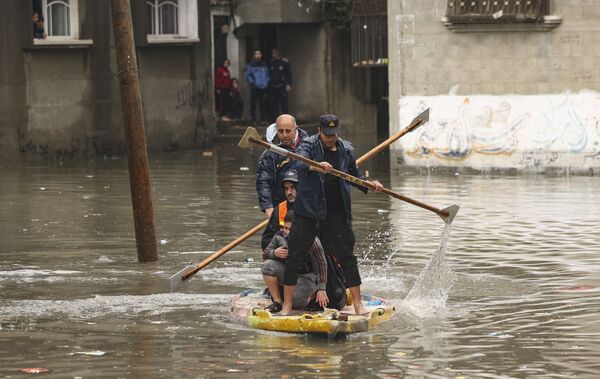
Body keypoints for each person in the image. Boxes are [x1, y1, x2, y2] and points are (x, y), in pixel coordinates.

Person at [280, 114, 384, 315]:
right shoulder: (308, 145)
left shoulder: (346, 149)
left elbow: (354, 176)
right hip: (308, 210)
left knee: (347, 257)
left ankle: (358, 304)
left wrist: (370, 185)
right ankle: (286, 305)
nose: (330, 138)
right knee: (295, 255)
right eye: (326, 134)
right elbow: (296, 165)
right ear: (319, 131)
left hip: (336, 211)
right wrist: (314, 165)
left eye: (333, 134)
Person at [261, 210, 328, 313]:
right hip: (286, 273)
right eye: (285, 228)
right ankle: (277, 302)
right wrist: (274, 253)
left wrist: (321, 288)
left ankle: (311, 295)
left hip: (306, 277)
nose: (287, 232)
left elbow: (321, 263)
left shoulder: (311, 239)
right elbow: (265, 254)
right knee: (267, 266)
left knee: (296, 301)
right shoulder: (279, 236)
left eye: (291, 229)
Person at [256, 114, 308, 218]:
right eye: (280, 131)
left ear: (295, 129)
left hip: (306, 206)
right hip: (282, 206)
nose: (284, 135)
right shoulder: (270, 154)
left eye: (288, 131)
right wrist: (268, 207)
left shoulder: (310, 146)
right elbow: (264, 181)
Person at [261, 169, 298, 251]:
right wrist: (275, 252)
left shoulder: (311, 209)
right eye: (286, 188)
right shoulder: (280, 209)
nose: (289, 192)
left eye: (292, 187)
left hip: (304, 255)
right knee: (268, 263)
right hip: (283, 255)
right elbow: (266, 241)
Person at [267, 48, 293, 123]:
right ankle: (275, 121)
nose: (273, 54)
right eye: (272, 53)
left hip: (282, 86)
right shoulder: (271, 62)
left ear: (278, 53)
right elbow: (269, 75)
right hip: (273, 86)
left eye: (274, 53)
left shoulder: (284, 62)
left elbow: (289, 74)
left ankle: (286, 121)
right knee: (274, 105)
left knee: (283, 104)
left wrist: (289, 84)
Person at [245, 50, 269, 124]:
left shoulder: (264, 65)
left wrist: (266, 82)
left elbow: (267, 75)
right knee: (253, 104)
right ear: (254, 55)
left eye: (259, 54)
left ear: (261, 55)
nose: (257, 55)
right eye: (256, 54)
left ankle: (263, 120)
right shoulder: (251, 65)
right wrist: (253, 82)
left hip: (263, 87)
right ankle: (253, 120)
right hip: (255, 87)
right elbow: (248, 76)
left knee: (263, 104)